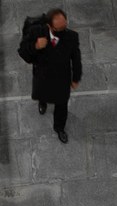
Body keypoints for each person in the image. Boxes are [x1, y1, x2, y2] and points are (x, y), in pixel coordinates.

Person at [17, 8, 82, 144]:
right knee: (43, 93)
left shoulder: (71, 37)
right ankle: (43, 102)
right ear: (49, 26)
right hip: (43, 76)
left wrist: (76, 78)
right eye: (59, 29)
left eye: (65, 26)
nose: (64, 31)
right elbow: (23, 53)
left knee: (62, 105)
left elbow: (76, 59)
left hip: (61, 78)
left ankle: (59, 128)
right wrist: (35, 46)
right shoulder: (37, 32)